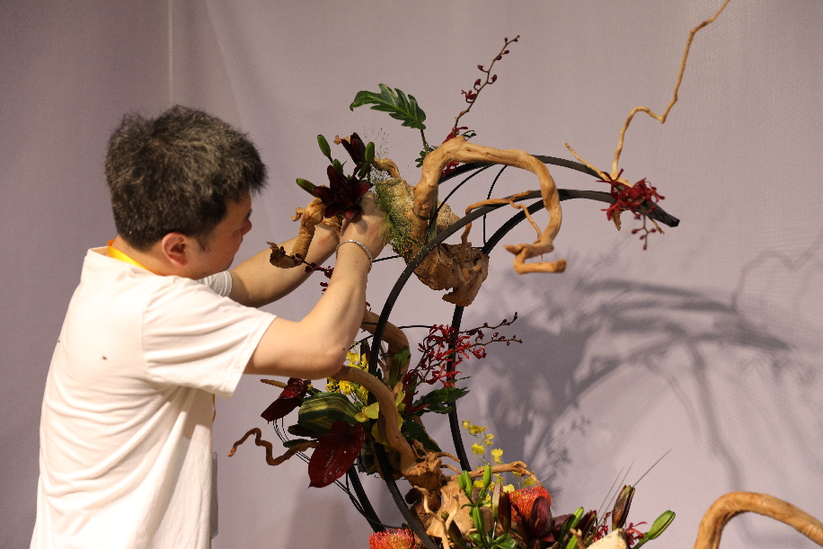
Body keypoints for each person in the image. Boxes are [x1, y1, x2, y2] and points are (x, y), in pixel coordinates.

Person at [30, 105, 386, 548]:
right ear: (177, 247)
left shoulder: (125, 271)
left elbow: (246, 284)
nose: (249, 229)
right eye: (238, 227)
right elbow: (321, 349)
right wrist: (359, 246)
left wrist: (335, 230)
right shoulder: (152, 309)